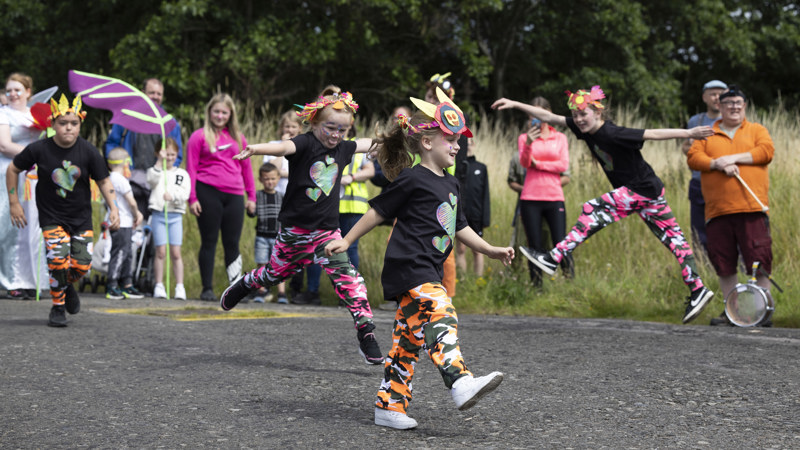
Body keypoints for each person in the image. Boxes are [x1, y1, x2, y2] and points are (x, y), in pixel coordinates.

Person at [324, 87, 512, 430]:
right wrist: (345, 238)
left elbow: (461, 227)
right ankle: (459, 380)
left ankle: (389, 404)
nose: (457, 146)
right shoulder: (412, 178)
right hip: (410, 267)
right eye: (450, 139)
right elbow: (378, 211)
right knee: (442, 310)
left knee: (407, 342)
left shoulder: (453, 184)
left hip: (429, 269)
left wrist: (491, 249)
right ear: (427, 142)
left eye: (458, 140)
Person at [492, 86, 716, 324]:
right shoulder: (584, 130)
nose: (578, 120)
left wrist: (688, 132)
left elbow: (651, 133)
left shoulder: (612, 132)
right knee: (675, 239)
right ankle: (698, 288)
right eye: (576, 116)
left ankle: (553, 257)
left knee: (593, 208)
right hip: (650, 191)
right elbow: (550, 117)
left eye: (584, 115)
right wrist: (515, 103)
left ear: (598, 113)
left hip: (640, 189)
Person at [218, 85, 384, 365]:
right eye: (330, 128)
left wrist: (397, 139)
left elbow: (368, 143)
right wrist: (257, 149)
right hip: (294, 232)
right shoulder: (306, 143)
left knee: (350, 280)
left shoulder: (344, 148)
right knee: (274, 275)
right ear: (315, 123)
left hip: (328, 234)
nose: (335, 135)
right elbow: (284, 147)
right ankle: (247, 283)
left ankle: (366, 332)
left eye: (342, 130)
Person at [7, 94, 120, 327]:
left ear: (80, 124)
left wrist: (114, 208)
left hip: (80, 219)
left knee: (81, 265)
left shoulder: (89, 151)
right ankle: (57, 307)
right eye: (63, 123)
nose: (68, 128)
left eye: (74, 124)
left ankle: (67, 285)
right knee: (58, 261)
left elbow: (104, 182)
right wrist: (14, 203)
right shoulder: (38, 149)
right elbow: (12, 169)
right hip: (51, 217)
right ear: (53, 124)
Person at [687, 85, 774, 326]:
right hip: (717, 211)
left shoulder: (757, 130)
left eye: (738, 103)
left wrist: (733, 158)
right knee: (723, 263)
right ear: (720, 107)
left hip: (751, 209)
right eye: (729, 103)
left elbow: (766, 152)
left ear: (744, 106)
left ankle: (762, 312)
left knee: (758, 260)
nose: (734, 107)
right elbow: (694, 158)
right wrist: (717, 164)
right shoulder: (707, 133)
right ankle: (732, 313)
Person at [186, 93, 256, 301]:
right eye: (216, 111)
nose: (219, 115)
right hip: (207, 192)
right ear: (209, 112)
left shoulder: (237, 138)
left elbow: (247, 169)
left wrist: (251, 197)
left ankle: (236, 290)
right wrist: (192, 199)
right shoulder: (198, 136)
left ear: (230, 114)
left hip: (234, 194)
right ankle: (207, 288)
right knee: (209, 241)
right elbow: (191, 168)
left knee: (232, 242)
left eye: (224, 112)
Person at [300, 136, 375, 305]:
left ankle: (350, 294)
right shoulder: (321, 142)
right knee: (317, 246)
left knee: (350, 248)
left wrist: (352, 177)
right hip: (325, 205)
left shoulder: (356, 143)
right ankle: (313, 292)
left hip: (352, 205)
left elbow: (370, 170)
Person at [105, 78, 183, 220]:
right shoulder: (127, 116)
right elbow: (111, 144)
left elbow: (177, 156)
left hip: (157, 183)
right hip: (129, 181)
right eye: (151, 92)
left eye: (159, 94)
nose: (155, 97)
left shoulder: (169, 123)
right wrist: (117, 168)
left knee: (153, 231)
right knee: (130, 225)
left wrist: (166, 173)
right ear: (142, 93)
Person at [0, 73, 49, 299]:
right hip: (8, 172)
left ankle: (31, 280)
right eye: (9, 90)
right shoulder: (3, 113)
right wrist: (38, 154)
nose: (12, 94)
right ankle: (10, 281)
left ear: (28, 92)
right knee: (9, 226)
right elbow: (4, 145)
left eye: (17, 89)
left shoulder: (35, 114)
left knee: (33, 227)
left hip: (32, 176)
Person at [516, 96, 574, 286]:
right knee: (535, 244)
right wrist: (529, 145)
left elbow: (563, 164)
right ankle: (537, 286)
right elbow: (525, 163)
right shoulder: (524, 138)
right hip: (530, 196)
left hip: (554, 196)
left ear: (548, 115)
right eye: (532, 114)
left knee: (561, 242)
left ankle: (570, 283)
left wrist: (538, 164)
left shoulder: (560, 138)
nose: (537, 119)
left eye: (540, 114)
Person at [682, 80, 727, 252]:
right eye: (713, 94)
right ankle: (703, 269)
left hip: (724, 183)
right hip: (699, 182)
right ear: (704, 97)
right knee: (699, 230)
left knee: (726, 228)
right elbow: (686, 147)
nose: (717, 98)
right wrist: (695, 147)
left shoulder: (731, 119)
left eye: (721, 94)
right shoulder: (696, 120)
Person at [147, 137, 190, 300]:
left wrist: (173, 196)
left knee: (176, 252)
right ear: (158, 154)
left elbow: (185, 193)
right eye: (166, 154)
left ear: (177, 154)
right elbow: (151, 181)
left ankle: (180, 286)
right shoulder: (155, 171)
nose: (169, 157)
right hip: (159, 215)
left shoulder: (181, 174)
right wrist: (159, 162)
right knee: (160, 251)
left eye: (173, 154)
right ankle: (159, 285)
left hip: (175, 215)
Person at [104, 147, 145, 299]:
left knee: (126, 253)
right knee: (121, 253)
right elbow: (132, 203)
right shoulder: (121, 180)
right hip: (122, 222)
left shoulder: (109, 179)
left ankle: (127, 284)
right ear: (126, 163)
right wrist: (137, 214)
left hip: (121, 222)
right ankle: (112, 284)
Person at [455, 138, 490, 276]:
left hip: (476, 214)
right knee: (461, 249)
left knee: (478, 249)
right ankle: (462, 279)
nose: (467, 146)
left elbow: (485, 195)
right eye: (464, 143)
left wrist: (485, 219)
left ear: (473, 144)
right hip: (460, 213)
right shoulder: (456, 166)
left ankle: (478, 280)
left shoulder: (481, 168)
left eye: (469, 143)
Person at [252, 162, 287, 304]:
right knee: (262, 264)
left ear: (278, 178)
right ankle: (261, 290)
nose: (270, 182)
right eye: (266, 179)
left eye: (272, 178)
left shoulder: (282, 197)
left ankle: (282, 293)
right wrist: (249, 208)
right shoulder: (257, 196)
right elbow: (252, 213)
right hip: (261, 236)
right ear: (260, 180)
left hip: (278, 237)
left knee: (279, 265)